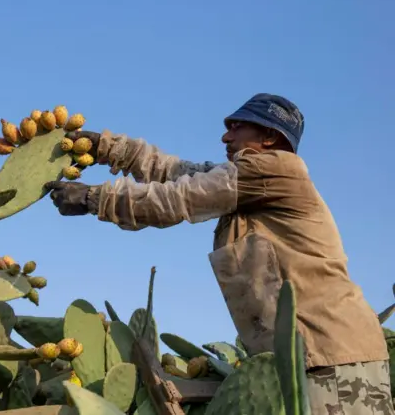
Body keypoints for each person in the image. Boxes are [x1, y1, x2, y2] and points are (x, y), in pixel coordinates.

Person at [44, 93, 394, 414]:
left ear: (270, 137)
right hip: (312, 357)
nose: (226, 137)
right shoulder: (250, 180)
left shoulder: (275, 169)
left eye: (237, 128)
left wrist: (94, 199)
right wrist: (107, 148)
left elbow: (179, 197)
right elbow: (179, 174)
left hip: (331, 355)